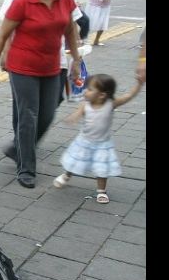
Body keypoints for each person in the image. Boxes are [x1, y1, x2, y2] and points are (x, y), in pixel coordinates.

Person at [0, 0, 82, 188]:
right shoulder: (22, 1)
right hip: (23, 67)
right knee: (28, 115)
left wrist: (76, 60)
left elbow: (70, 29)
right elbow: (2, 35)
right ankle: (26, 168)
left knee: (47, 114)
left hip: (51, 67)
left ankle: (19, 147)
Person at [53, 73, 144, 203]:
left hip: (102, 144)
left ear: (102, 95)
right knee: (75, 160)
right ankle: (66, 175)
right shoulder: (85, 105)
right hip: (84, 141)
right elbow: (78, 113)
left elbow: (128, 96)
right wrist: (73, 117)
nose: (85, 92)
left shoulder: (111, 104)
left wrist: (139, 84)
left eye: (89, 89)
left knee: (102, 168)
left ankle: (101, 191)